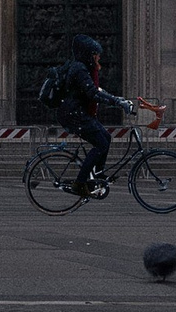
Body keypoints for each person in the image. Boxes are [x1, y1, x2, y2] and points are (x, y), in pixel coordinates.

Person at [45, 33, 129, 197]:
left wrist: (116, 99)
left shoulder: (82, 68)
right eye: (95, 53)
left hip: (78, 113)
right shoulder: (80, 69)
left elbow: (95, 90)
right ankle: (80, 183)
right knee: (100, 145)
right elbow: (93, 93)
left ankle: (98, 175)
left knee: (106, 137)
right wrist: (117, 102)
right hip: (74, 115)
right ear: (87, 54)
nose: (98, 57)